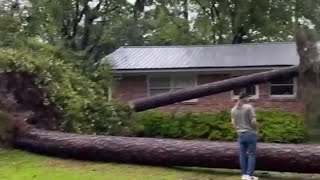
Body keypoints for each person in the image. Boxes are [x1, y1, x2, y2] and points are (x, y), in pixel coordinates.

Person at [231, 91, 258, 180]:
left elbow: (233, 123)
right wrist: (256, 129)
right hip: (250, 133)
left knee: (242, 154)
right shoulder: (249, 107)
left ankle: (244, 174)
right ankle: (249, 175)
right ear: (245, 98)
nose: (249, 99)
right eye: (248, 97)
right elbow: (253, 121)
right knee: (251, 154)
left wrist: (238, 129)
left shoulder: (233, 109)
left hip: (240, 134)